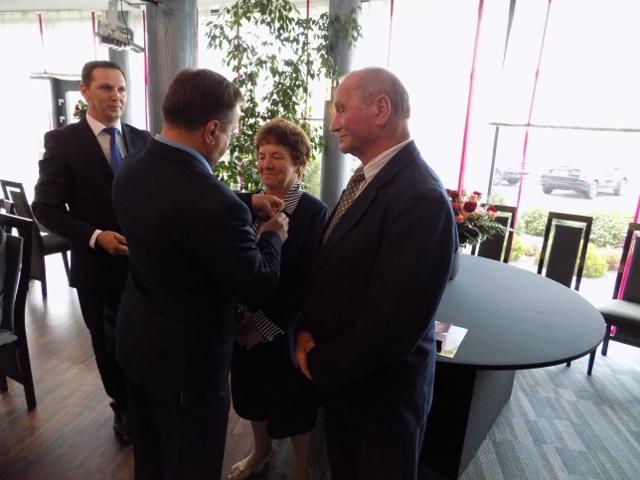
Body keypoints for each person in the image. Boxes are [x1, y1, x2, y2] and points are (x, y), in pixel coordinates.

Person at [112, 69, 289, 480]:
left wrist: (246, 199)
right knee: (193, 464)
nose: (228, 143)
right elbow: (258, 282)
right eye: (230, 132)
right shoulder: (213, 203)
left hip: (138, 345)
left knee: (152, 459)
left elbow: (174, 205)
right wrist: (274, 236)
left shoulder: (131, 167)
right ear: (212, 130)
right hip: (187, 370)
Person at [295, 67, 456, 480]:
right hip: (351, 391)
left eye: (341, 109)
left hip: (380, 406)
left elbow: (392, 325)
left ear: (381, 110)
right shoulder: (371, 178)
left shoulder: (420, 197)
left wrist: (318, 360)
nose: (333, 124)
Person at [32, 60, 151, 445]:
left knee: (143, 341)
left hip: (144, 267)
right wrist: (95, 236)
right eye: (106, 88)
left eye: (121, 88)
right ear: (85, 91)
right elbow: (45, 208)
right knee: (108, 344)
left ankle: (146, 404)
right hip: (97, 268)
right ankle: (123, 408)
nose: (116, 96)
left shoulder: (141, 139)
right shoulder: (63, 142)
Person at [228, 119, 328, 480]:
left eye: (277, 156)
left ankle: (300, 469)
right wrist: (241, 319)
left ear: (299, 164)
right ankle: (261, 450)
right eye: (261, 155)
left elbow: (307, 283)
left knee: (295, 403)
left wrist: (264, 325)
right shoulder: (246, 204)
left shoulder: (315, 212)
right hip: (243, 324)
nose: (265, 163)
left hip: (287, 328)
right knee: (249, 395)